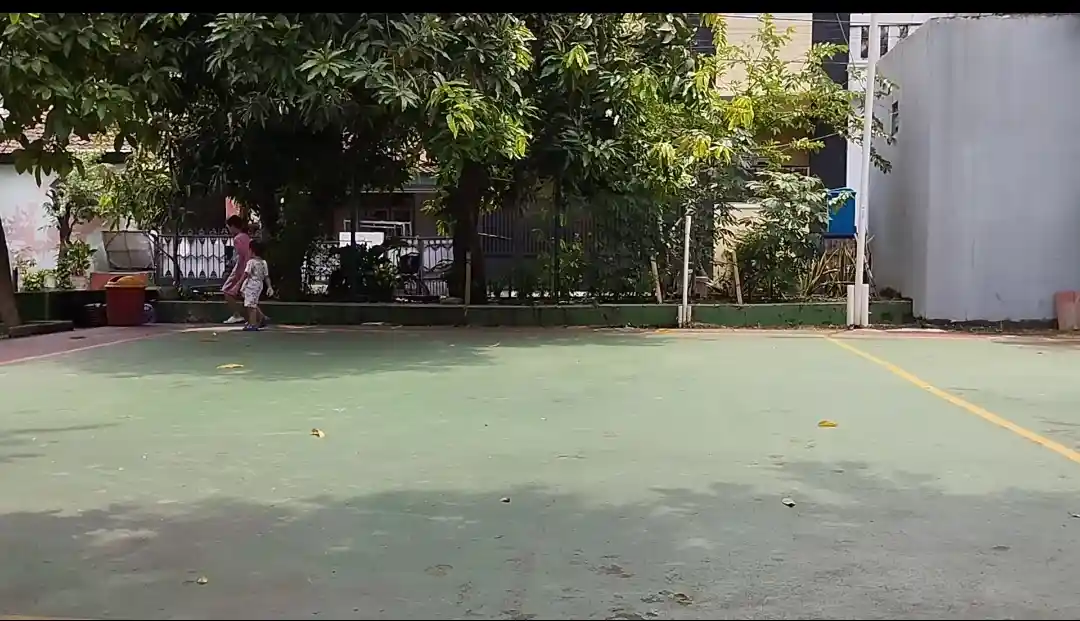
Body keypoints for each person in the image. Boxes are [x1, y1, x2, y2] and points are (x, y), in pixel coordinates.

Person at [221, 215, 251, 324]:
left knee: (226, 290)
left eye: (229, 227)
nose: (229, 230)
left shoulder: (237, 239)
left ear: (233, 226)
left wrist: (236, 271)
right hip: (248, 267)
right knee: (247, 295)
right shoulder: (246, 237)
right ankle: (259, 317)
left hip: (241, 269)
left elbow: (241, 257)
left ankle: (236, 315)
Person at [239, 239, 274, 331]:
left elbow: (246, 274)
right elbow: (266, 276)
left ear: (251, 250)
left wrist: (239, 283)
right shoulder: (263, 263)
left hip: (251, 284)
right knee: (250, 303)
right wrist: (269, 287)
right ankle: (256, 320)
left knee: (251, 305)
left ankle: (253, 324)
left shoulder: (251, 262)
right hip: (259, 284)